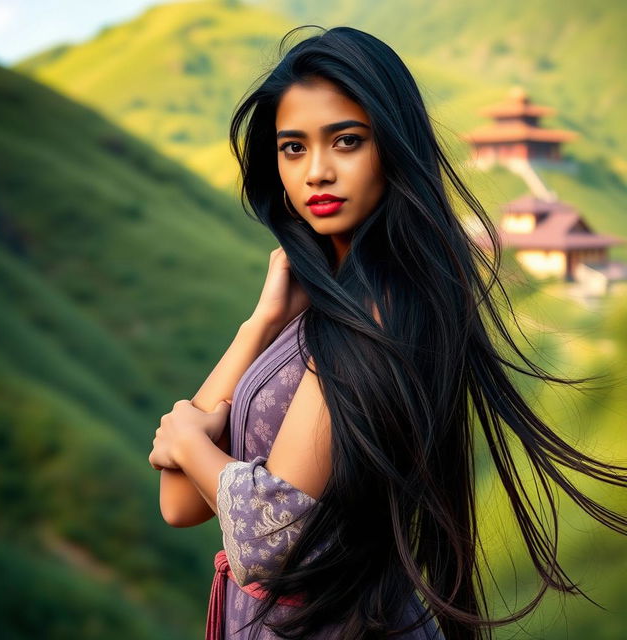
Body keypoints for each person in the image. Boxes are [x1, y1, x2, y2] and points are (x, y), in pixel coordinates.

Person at [148, 25, 627, 640]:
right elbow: (180, 505)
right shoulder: (320, 306)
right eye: (292, 148)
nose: (316, 172)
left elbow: (272, 544)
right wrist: (260, 323)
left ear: (392, 148)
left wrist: (190, 440)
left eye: (345, 141)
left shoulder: (382, 304)